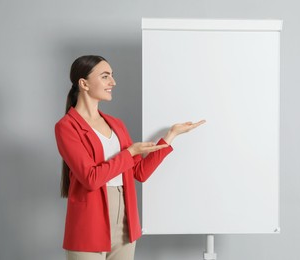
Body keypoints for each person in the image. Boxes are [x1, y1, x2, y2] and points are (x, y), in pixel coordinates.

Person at [54, 55, 205, 260]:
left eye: (112, 76)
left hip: (125, 223)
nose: (113, 82)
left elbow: (140, 173)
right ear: (84, 83)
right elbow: (91, 178)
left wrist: (171, 136)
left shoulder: (116, 124)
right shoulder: (66, 127)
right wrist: (130, 152)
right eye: (105, 76)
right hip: (89, 224)